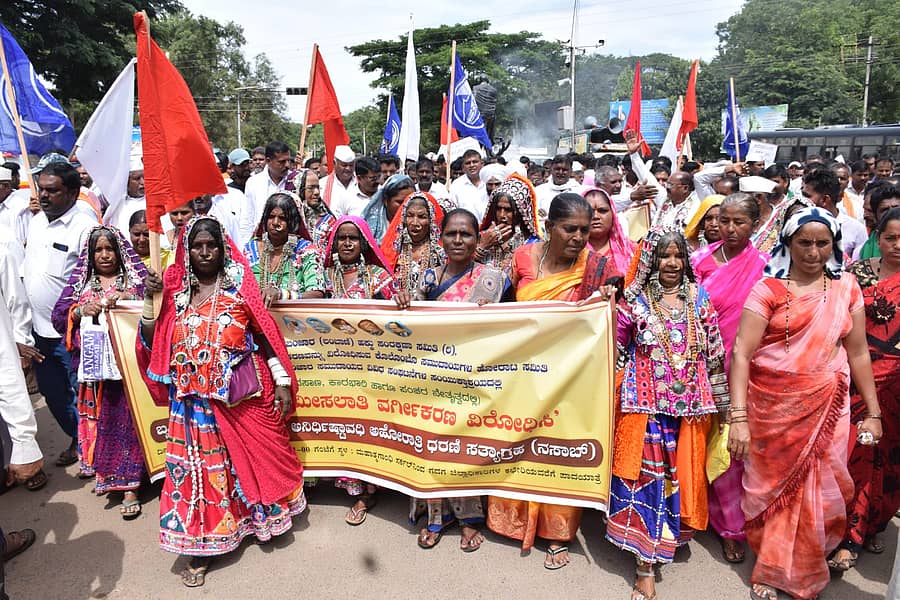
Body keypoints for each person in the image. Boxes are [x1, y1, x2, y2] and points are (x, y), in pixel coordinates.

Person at [137, 216, 306, 587]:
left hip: (236, 401)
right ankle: (198, 546)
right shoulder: (175, 291)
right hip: (190, 407)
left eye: (210, 244)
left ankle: (252, 524)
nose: (204, 252)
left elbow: (264, 337)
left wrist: (280, 380)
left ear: (222, 247)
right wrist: (152, 302)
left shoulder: (239, 286)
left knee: (242, 468)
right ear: (187, 250)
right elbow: (153, 339)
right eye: (196, 245)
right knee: (197, 477)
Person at [728, 207, 882, 600]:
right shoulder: (768, 290)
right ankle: (772, 567)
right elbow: (742, 354)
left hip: (828, 407)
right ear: (788, 243)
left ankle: (806, 567)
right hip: (772, 407)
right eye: (804, 243)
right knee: (774, 490)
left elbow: (859, 352)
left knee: (818, 490)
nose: (813, 252)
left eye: (822, 243)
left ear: (833, 245)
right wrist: (739, 418)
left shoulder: (847, 287)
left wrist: (874, 413)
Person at [487, 193, 618, 570]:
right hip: (521, 374)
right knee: (516, 441)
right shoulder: (523, 258)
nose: (579, 237)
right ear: (549, 227)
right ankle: (509, 521)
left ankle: (558, 532)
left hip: (570, 379)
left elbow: (608, 325)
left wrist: (606, 300)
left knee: (558, 450)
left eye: (584, 229)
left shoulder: (597, 267)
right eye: (569, 229)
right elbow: (497, 304)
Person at [608, 227, 729, 600]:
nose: (672, 263)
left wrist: (726, 411)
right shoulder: (633, 302)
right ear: (650, 261)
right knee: (647, 480)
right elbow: (615, 353)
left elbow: (715, 356)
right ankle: (644, 563)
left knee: (680, 480)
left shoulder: (699, 299)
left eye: (678, 255)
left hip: (690, 408)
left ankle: (669, 538)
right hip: (643, 409)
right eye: (664, 255)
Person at [393, 209, 511, 551]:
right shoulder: (428, 279)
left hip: (476, 383)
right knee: (433, 447)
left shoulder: (494, 280)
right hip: (434, 381)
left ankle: (469, 519)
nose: (458, 241)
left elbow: (517, 330)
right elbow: (412, 329)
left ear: (478, 239)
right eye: (451, 234)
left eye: (466, 235)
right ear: (440, 238)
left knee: (466, 450)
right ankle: (436, 517)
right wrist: (404, 304)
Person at [689, 193, 767, 564]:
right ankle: (692, 513)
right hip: (695, 364)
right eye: (725, 221)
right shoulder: (698, 260)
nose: (730, 229)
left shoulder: (764, 266)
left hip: (740, 369)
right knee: (691, 442)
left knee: (731, 450)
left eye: (739, 222)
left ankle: (731, 527)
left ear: (754, 224)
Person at [51, 226, 147, 517]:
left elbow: (157, 313)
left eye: (110, 249)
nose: (104, 255)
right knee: (101, 422)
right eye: (98, 250)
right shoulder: (80, 285)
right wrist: (80, 311)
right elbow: (58, 317)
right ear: (90, 255)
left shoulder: (134, 281)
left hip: (128, 370)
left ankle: (131, 485)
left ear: (120, 252)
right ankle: (107, 477)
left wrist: (129, 302)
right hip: (95, 374)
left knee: (129, 424)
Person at [833, 206, 900, 572]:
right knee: (855, 453)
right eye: (890, 238)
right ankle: (849, 535)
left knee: (890, 458)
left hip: (897, 383)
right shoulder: (857, 275)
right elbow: (837, 320)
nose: (897, 245)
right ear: (878, 237)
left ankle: (877, 522)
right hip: (856, 375)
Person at [24, 162, 98, 466]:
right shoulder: (36, 221)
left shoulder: (84, 227)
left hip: (72, 332)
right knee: (54, 395)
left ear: (72, 192)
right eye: (41, 188)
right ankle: (79, 441)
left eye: (52, 190)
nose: (43, 195)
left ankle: (96, 452)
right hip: (37, 333)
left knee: (85, 395)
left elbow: (94, 277)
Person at [243, 193, 325, 306]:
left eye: (282, 218)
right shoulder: (250, 250)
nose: (275, 223)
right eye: (271, 217)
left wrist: (283, 295)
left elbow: (317, 294)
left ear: (293, 223)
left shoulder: (307, 252)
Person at [380, 192, 446, 293]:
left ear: (431, 220)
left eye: (422, 217)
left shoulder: (439, 253)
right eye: (410, 216)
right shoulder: (394, 251)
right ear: (403, 219)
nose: (415, 223)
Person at [475, 173, 541, 273]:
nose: (502, 215)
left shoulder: (532, 244)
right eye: (498, 209)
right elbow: (464, 272)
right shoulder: (482, 237)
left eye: (508, 210)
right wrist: (482, 247)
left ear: (521, 212)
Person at [324, 216, 397, 301]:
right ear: (335, 242)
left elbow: (395, 305)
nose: (347, 243)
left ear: (363, 242)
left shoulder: (378, 276)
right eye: (342, 238)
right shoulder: (325, 275)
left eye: (353, 238)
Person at [802, 167, 868, 260]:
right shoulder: (795, 225)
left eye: (807, 196)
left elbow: (858, 266)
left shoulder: (856, 229)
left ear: (825, 200)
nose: (801, 200)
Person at [240, 141, 295, 244]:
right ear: (268, 161)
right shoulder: (254, 183)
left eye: (288, 160)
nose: (287, 165)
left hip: (291, 244)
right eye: (282, 162)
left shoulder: (296, 180)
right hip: (262, 243)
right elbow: (247, 219)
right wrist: (246, 247)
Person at [583, 187, 636, 277]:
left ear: (613, 214)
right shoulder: (571, 252)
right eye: (590, 211)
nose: (596, 216)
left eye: (602, 211)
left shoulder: (631, 250)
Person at [361, 173, 415, 244]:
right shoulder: (370, 227)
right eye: (400, 202)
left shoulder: (416, 226)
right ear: (386, 201)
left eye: (410, 202)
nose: (405, 206)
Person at [855, 184, 900, 260]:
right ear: (875, 216)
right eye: (885, 210)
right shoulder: (861, 251)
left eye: (896, 209)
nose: (891, 214)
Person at [297, 168, 334, 246]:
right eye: (311, 188)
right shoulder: (289, 220)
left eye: (318, 187)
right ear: (299, 190)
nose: (317, 192)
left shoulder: (328, 221)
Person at [449, 150, 487, 221]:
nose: (472, 165)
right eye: (468, 163)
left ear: (482, 164)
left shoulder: (489, 181)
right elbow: (452, 211)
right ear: (463, 167)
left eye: (475, 162)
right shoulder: (456, 185)